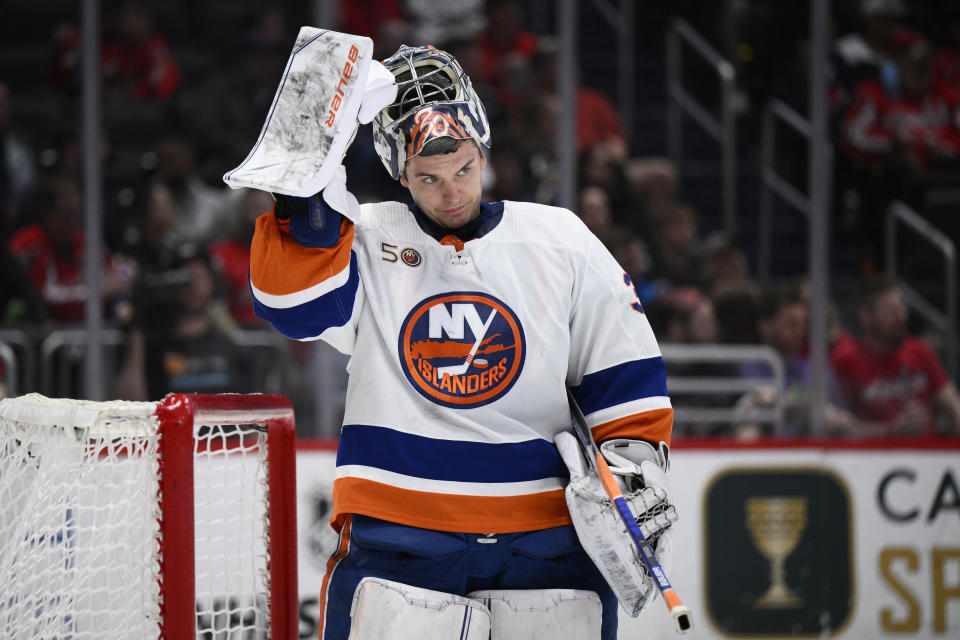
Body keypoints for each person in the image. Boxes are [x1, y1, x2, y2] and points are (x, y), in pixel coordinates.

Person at [245, 44, 675, 639]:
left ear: (484, 150)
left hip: (546, 542)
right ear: (399, 172)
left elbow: (624, 376)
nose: (451, 192)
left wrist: (631, 468)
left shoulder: (560, 239)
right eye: (428, 178)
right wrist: (307, 180)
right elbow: (294, 307)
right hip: (402, 539)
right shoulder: (364, 239)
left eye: (464, 170)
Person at [830, 276, 960, 436]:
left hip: (927, 454)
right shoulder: (846, 359)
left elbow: (953, 404)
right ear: (866, 316)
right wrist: (890, 429)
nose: (900, 317)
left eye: (902, 309)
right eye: (891, 311)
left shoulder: (919, 350)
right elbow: (841, 427)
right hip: (872, 456)